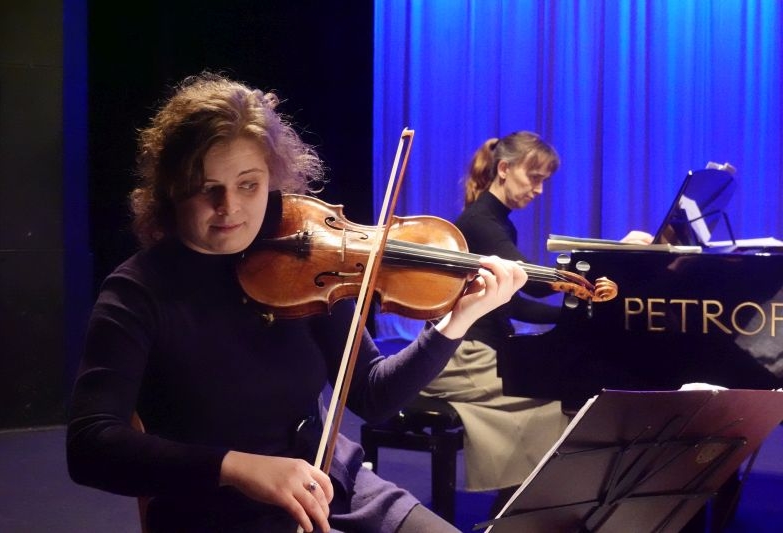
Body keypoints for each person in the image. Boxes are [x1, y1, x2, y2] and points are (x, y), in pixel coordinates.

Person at [65, 72, 529, 533]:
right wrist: (237, 467)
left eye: (248, 184)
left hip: (333, 486)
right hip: (219, 511)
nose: (229, 207)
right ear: (171, 188)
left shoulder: (300, 262)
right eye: (206, 188)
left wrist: (455, 320)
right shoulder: (138, 292)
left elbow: (372, 393)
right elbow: (90, 445)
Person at [419, 132, 651, 515]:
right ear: (504, 169)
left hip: (485, 349)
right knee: (557, 410)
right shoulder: (480, 222)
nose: (539, 190)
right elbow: (534, 284)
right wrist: (613, 252)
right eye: (534, 177)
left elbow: (513, 305)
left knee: (564, 402)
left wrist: (575, 315)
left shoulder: (497, 223)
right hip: (462, 357)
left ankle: (522, 510)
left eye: (544, 180)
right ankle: (519, 514)